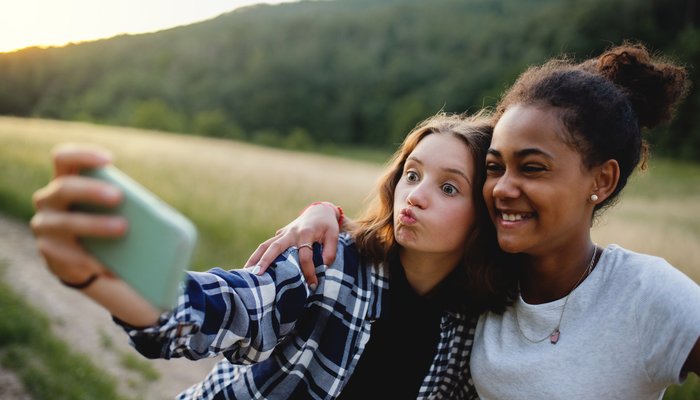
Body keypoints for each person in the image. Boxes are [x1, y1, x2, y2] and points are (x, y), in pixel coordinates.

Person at [246, 43, 700, 398]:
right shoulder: (485, 283)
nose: (502, 188)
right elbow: (396, 247)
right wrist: (325, 214)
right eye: (496, 167)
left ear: (601, 179)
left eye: (533, 167)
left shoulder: (643, 293)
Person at [30, 112, 515, 399]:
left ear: (485, 214)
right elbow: (235, 306)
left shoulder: (476, 325)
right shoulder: (332, 261)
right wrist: (107, 281)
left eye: (449, 187)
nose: (416, 195)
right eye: (412, 173)